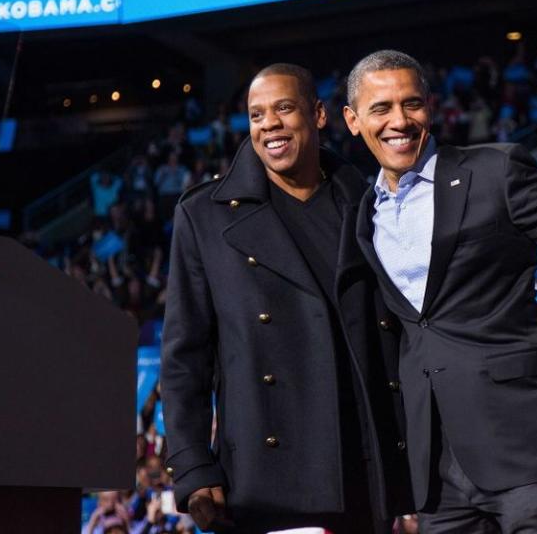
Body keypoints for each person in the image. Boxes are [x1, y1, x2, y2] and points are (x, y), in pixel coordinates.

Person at [342, 49, 537, 532]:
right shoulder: (362, 214)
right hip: (437, 467)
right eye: (381, 108)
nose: (400, 120)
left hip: (528, 444)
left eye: (411, 103)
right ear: (353, 121)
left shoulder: (495, 171)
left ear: (431, 108)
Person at [161, 63, 410, 534]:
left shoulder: (372, 201)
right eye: (256, 115)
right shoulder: (204, 217)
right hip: (266, 476)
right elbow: (184, 358)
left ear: (317, 115)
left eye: (283, 108)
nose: (268, 124)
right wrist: (192, 466)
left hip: (365, 465)